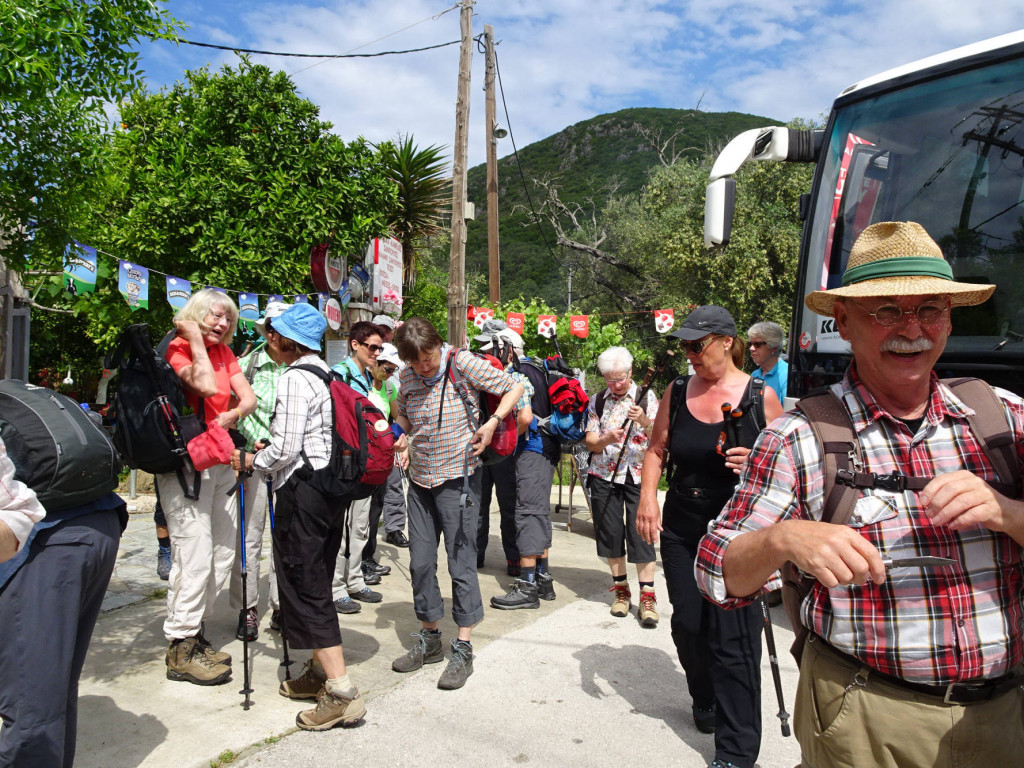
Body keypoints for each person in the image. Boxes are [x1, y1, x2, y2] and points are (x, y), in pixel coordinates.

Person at [695, 221, 1024, 768]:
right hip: (865, 719)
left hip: (1006, 718)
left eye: (930, 309)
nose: (912, 329)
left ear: (949, 318)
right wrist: (783, 539)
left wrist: (1009, 513)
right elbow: (714, 573)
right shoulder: (800, 436)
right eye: (887, 311)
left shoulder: (1004, 419)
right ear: (844, 322)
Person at [637, 305, 783, 768]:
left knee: (734, 641)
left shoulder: (761, 396)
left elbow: (788, 471)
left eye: (696, 345)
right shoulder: (678, 390)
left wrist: (756, 464)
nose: (689, 354)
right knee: (689, 624)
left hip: (739, 531)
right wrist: (647, 499)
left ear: (725, 342)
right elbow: (656, 449)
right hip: (683, 524)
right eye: (684, 346)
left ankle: (736, 754)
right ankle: (704, 696)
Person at [233, 302, 366, 731]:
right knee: (317, 580)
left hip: (302, 492)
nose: (269, 339)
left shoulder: (294, 378)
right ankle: (317, 672)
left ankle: (341, 692)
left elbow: (286, 448)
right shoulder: (327, 374)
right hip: (329, 492)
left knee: (305, 586)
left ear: (285, 339)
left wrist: (251, 460)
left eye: (273, 333)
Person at [390, 317, 524, 690]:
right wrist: (401, 434)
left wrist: (492, 422)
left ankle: (463, 647)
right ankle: (429, 637)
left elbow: (514, 386)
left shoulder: (461, 362)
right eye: (416, 361)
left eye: (428, 358)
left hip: (459, 479)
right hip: (420, 481)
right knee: (420, 563)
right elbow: (403, 413)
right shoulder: (407, 376)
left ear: (438, 346)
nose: (424, 366)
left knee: (461, 564)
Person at [0, 437, 125, 767]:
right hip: (91, 522)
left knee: (35, 705)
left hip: (50, 538)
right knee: (49, 693)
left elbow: (17, 508)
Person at [159, 288, 257, 685]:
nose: (222, 323)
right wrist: (194, 339)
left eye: (228, 318)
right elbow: (202, 385)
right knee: (194, 554)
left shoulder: (225, 352)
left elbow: (247, 399)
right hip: (186, 464)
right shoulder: (178, 349)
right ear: (195, 314)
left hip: (219, 457)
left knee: (222, 553)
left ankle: (195, 632)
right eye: (214, 315)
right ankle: (180, 647)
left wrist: (233, 415)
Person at [486, 326, 570, 609]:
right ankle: (544, 580)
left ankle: (527, 586)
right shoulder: (537, 368)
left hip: (532, 450)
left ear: (507, 349)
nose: (491, 355)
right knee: (538, 513)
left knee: (527, 514)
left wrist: (506, 442)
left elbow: (524, 416)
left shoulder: (517, 374)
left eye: (494, 349)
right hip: (547, 450)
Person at [584, 346, 659, 622]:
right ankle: (621, 591)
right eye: (609, 380)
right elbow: (590, 442)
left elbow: (660, 438)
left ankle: (648, 597)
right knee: (611, 533)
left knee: (642, 533)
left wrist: (644, 421)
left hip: (638, 475)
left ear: (631, 372)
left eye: (620, 379)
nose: (615, 385)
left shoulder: (647, 397)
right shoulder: (597, 401)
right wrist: (606, 439)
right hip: (604, 475)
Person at [230, 300, 290, 641]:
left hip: (289, 465)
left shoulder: (301, 366)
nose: (276, 335)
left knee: (285, 536)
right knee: (249, 537)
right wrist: (244, 443)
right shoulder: (247, 365)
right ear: (266, 331)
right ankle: (247, 607)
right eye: (272, 328)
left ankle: (282, 606)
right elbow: (231, 410)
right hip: (252, 463)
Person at [330, 320, 388, 613]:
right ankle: (336, 587)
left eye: (380, 348)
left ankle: (354, 580)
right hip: (345, 458)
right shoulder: (338, 374)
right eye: (372, 347)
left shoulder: (368, 376)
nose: (377, 353)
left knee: (361, 524)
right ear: (355, 344)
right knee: (341, 525)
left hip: (367, 460)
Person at [472, 319, 524, 573]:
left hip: (482, 448)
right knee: (506, 506)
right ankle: (512, 560)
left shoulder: (476, 370)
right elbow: (524, 418)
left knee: (482, 506)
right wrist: (509, 438)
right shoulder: (514, 375)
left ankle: (477, 557)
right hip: (503, 451)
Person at [361, 342, 406, 576]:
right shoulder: (361, 385)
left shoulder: (388, 388)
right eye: (387, 369)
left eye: (393, 370)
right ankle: (357, 563)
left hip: (381, 457)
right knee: (360, 513)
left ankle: (368, 558)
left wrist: (401, 439)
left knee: (375, 508)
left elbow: (397, 417)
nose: (390, 374)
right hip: (362, 458)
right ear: (375, 363)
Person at [746, 321, 788, 402]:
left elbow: (789, 408)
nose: (751, 348)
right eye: (750, 344)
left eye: (757, 344)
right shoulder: (755, 375)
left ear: (773, 347)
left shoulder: (786, 375)